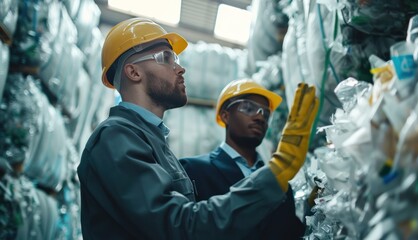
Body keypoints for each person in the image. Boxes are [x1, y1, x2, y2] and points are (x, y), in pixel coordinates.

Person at [77, 17, 319, 240]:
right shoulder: (116, 138)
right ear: (133, 72)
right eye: (165, 57)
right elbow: (180, 226)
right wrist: (277, 171)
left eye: (177, 59)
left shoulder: (155, 143)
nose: (180, 68)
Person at [180, 79, 306, 239]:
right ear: (225, 116)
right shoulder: (193, 170)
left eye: (265, 113)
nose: (260, 118)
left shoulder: (279, 181)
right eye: (248, 108)